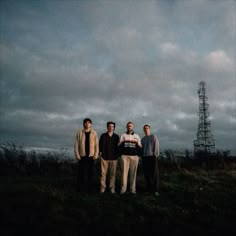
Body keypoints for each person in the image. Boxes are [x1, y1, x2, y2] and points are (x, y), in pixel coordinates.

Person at [74, 118, 99, 193]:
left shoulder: (94, 133)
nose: (87, 124)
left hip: (91, 156)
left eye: (89, 123)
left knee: (91, 174)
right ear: (84, 124)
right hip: (82, 156)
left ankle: (90, 189)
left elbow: (96, 145)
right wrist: (77, 155)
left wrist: (96, 155)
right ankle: (81, 189)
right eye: (86, 123)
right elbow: (76, 145)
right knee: (82, 174)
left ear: (91, 124)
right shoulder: (79, 133)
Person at [118, 121, 142, 194]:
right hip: (125, 156)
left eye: (131, 126)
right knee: (124, 174)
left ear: (132, 127)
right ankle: (123, 189)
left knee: (133, 174)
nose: (129, 127)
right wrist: (121, 155)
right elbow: (119, 146)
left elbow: (140, 147)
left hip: (134, 157)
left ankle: (132, 190)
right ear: (126, 127)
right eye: (128, 126)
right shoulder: (123, 135)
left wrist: (138, 155)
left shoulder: (137, 136)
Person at [99, 121, 120, 194]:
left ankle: (112, 188)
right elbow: (100, 146)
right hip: (104, 157)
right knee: (103, 174)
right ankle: (102, 188)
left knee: (112, 175)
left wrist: (117, 155)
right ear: (107, 127)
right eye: (109, 126)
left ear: (114, 128)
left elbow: (118, 147)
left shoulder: (116, 136)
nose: (111, 128)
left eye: (112, 126)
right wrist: (100, 154)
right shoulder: (103, 136)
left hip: (114, 158)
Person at [141, 124, 160, 196]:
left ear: (149, 129)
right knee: (147, 174)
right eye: (145, 128)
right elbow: (141, 149)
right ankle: (148, 189)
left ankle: (155, 190)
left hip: (152, 157)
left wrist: (155, 155)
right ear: (143, 130)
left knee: (154, 174)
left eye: (147, 128)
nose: (146, 129)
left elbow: (156, 146)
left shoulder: (153, 137)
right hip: (145, 158)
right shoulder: (143, 139)